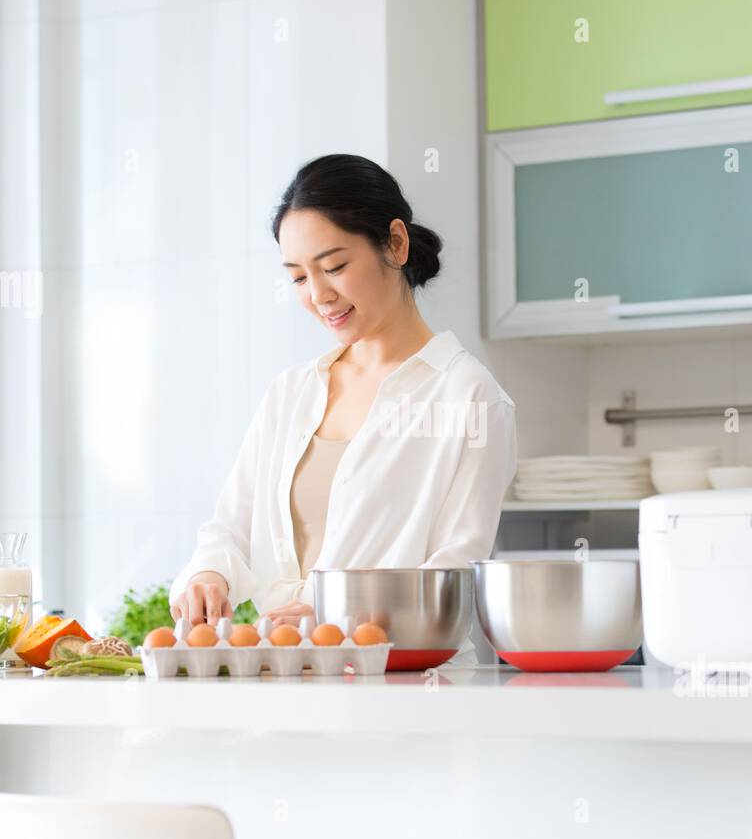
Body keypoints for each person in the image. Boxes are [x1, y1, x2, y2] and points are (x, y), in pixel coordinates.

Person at [169, 153, 517, 661]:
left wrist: (338, 618)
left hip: (401, 682)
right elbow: (231, 529)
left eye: (334, 267)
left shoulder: (469, 397)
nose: (318, 295)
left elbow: (452, 578)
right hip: (283, 674)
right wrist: (209, 574)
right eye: (298, 278)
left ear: (395, 244)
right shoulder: (291, 393)